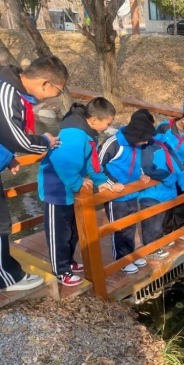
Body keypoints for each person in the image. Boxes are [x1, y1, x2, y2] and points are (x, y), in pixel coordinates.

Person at [38, 98, 121, 287]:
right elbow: (62, 162)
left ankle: (69, 261)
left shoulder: (90, 133)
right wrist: (77, 182)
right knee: (59, 232)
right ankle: (61, 271)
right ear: (94, 120)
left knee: (72, 230)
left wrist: (100, 181)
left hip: (70, 187)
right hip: (56, 188)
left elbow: (92, 161)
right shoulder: (75, 134)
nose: (108, 127)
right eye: (108, 123)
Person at [0, 55, 66, 292]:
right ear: (46, 83)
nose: (54, 97)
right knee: (1, 225)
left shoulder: (12, 90)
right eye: (58, 91)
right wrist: (45, 141)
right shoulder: (7, 92)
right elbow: (16, 138)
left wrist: (8, 157)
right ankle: (7, 279)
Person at [99, 109, 156, 275]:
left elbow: (135, 164)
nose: (146, 142)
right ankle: (121, 260)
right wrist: (112, 183)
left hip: (131, 192)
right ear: (137, 135)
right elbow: (96, 166)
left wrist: (141, 174)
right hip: (115, 195)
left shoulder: (136, 144)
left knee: (130, 225)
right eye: (144, 139)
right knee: (119, 228)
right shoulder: (114, 143)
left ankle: (130, 254)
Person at [139, 133, 184, 259]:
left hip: (165, 190)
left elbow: (177, 164)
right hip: (152, 192)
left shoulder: (163, 143)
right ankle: (151, 249)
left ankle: (157, 244)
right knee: (152, 222)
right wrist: (170, 178)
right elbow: (147, 168)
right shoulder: (146, 146)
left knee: (159, 221)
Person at [154, 108, 184, 243]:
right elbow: (154, 149)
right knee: (167, 204)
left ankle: (182, 229)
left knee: (183, 202)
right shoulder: (163, 128)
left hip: (183, 174)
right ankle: (166, 232)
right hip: (167, 174)